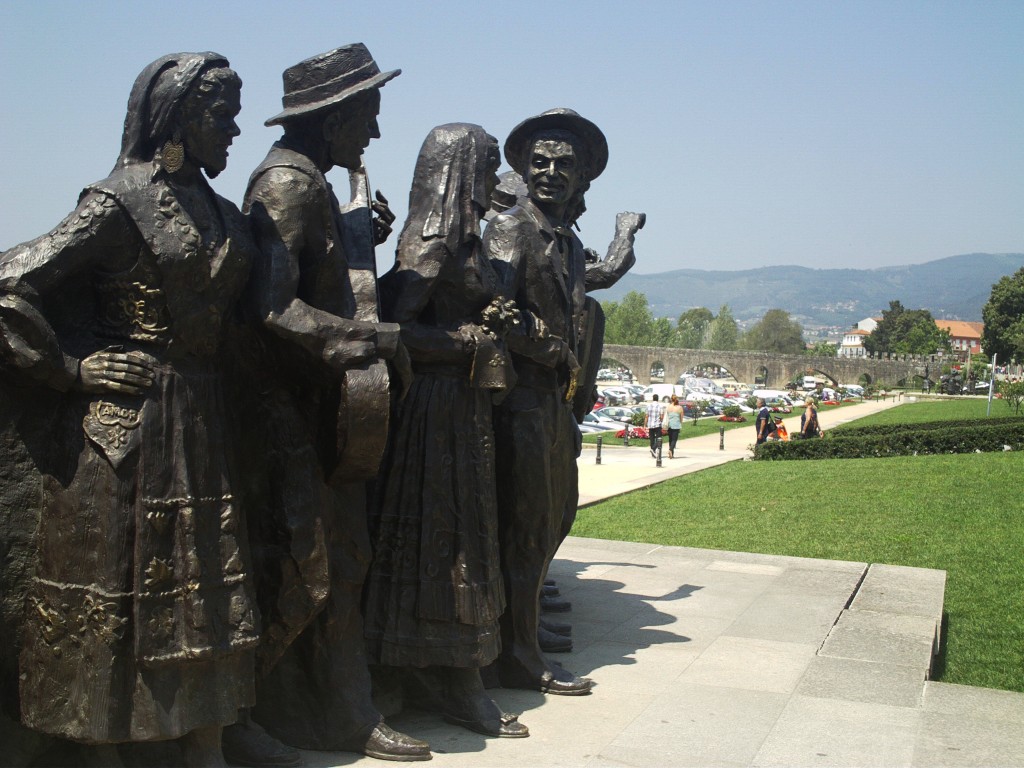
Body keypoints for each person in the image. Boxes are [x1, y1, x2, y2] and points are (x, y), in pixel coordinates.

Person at [0, 52, 256, 766]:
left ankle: (202, 742)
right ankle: (101, 751)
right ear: (179, 117)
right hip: (129, 434)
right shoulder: (120, 202)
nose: (234, 129)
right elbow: (9, 285)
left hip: (201, 426)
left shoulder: (223, 211)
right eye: (221, 114)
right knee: (116, 594)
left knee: (202, 594)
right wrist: (70, 369)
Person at [239, 44, 428, 762]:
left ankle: (342, 707)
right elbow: (269, 307)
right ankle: (297, 715)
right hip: (297, 413)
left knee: (342, 558)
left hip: (324, 409)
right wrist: (363, 335)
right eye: (368, 117)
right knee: (315, 563)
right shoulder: (288, 183)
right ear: (336, 115)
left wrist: (354, 237)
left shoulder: (315, 181)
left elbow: (314, 273)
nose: (374, 135)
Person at [363, 123, 527, 738]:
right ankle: (421, 673)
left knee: (464, 537)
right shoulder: (430, 240)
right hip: (431, 414)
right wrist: (461, 345)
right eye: (486, 168)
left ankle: (451, 673)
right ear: (461, 170)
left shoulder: (469, 241)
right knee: (439, 540)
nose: (492, 181)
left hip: (463, 411)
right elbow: (388, 329)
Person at [484, 108, 644, 695]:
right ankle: (516, 653)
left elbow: (591, 287)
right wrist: (547, 346)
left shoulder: (566, 242)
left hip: (553, 401)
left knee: (552, 516)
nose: (550, 172)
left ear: (582, 181)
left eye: (564, 165)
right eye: (540, 163)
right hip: (520, 399)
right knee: (524, 526)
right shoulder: (510, 229)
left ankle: (517, 636)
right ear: (524, 169)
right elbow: (493, 311)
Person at [663, 394, 684, 459]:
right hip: (676, 425)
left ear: (671, 399)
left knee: (670, 439)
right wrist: (680, 424)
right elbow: (681, 418)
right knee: (674, 440)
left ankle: (671, 453)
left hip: (669, 425)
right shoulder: (680, 408)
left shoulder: (668, 407)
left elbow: (666, 415)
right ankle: (670, 450)